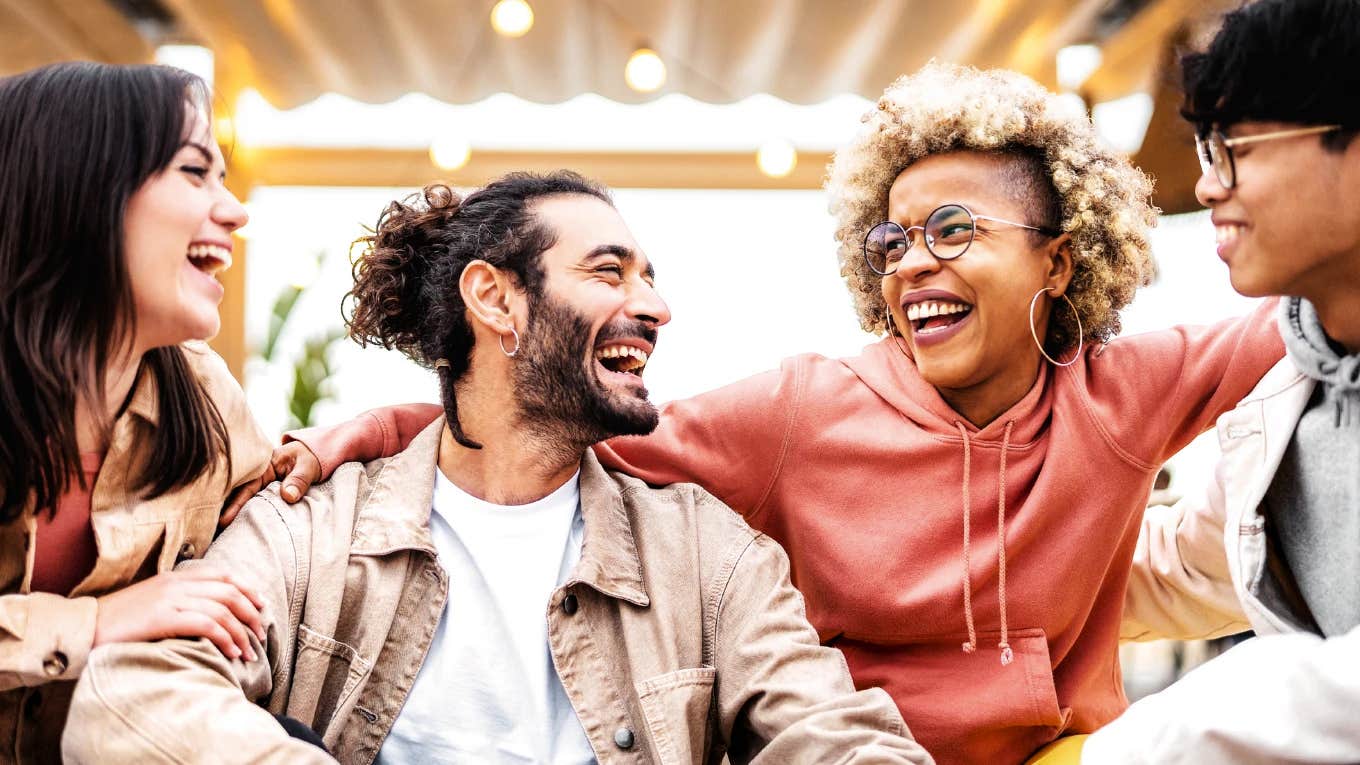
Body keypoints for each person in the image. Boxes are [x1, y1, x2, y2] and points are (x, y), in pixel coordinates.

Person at [269, 63, 1284, 763]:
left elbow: (1313, 309)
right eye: (891, 240)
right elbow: (561, 433)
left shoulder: (1123, 392)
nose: (914, 261)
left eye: (951, 229)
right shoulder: (804, 411)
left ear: (1058, 260)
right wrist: (377, 434)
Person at [62, 172, 931, 764]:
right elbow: (130, 696)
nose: (656, 305)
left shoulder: (707, 555)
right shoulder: (313, 527)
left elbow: (840, 734)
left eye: (651, 277)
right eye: (609, 271)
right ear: (495, 298)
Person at [1082, 0, 1360, 761]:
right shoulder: (1292, 388)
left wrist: (1120, 751)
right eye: (1204, 151)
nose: (1206, 187)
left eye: (1230, 146)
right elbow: (1187, 564)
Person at [0, 62, 272, 763]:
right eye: (194, 171)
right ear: (79, 188)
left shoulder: (207, 400)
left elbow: (291, 515)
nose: (235, 209)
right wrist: (96, 622)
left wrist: (382, 429)